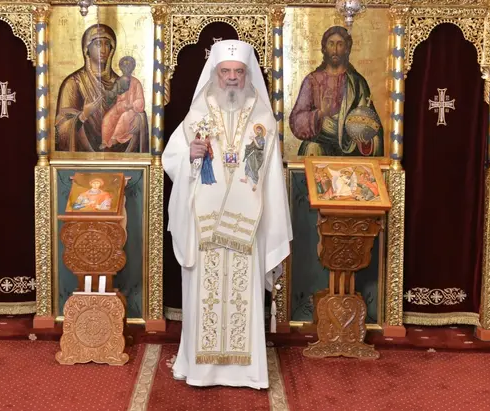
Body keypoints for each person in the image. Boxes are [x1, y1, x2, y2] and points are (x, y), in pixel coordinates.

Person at [162, 39, 292, 390]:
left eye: (238, 72)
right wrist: (190, 155)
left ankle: (247, 372)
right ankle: (201, 370)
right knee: (204, 297)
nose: (232, 78)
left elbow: (272, 178)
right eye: (226, 72)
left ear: (247, 74)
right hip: (205, 225)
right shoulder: (198, 114)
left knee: (242, 297)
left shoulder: (263, 118)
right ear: (215, 73)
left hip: (247, 224)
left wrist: (271, 221)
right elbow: (171, 159)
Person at [289, 26, 383, 156]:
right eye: (331, 44)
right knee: (312, 148)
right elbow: (297, 120)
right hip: (320, 142)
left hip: (351, 146)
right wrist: (320, 113)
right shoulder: (312, 80)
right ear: (324, 48)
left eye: (340, 44)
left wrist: (365, 136)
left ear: (347, 49)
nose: (335, 50)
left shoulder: (356, 82)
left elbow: (371, 123)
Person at [55, 24, 148, 153]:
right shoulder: (74, 83)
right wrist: (83, 115)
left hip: (120, 155)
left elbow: (136, 107)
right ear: (87, 48)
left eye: (107, 44)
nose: (103, 50)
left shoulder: (122, 82)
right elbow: (60, 129)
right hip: (83, 158)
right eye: (98, 44)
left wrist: (139, 119)